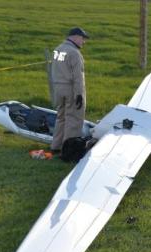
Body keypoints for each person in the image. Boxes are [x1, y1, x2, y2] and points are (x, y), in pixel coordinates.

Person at [50, 27, 89, 156]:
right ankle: (68, 151)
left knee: (61, 117)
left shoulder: (58, 49)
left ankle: (56, 146)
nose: (84, 42)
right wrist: (79, 94)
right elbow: (78, 77)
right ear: (76, 37)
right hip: (71, 89)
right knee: (74, 119)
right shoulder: (74, 53)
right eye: (83, 39)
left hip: (58, 88)